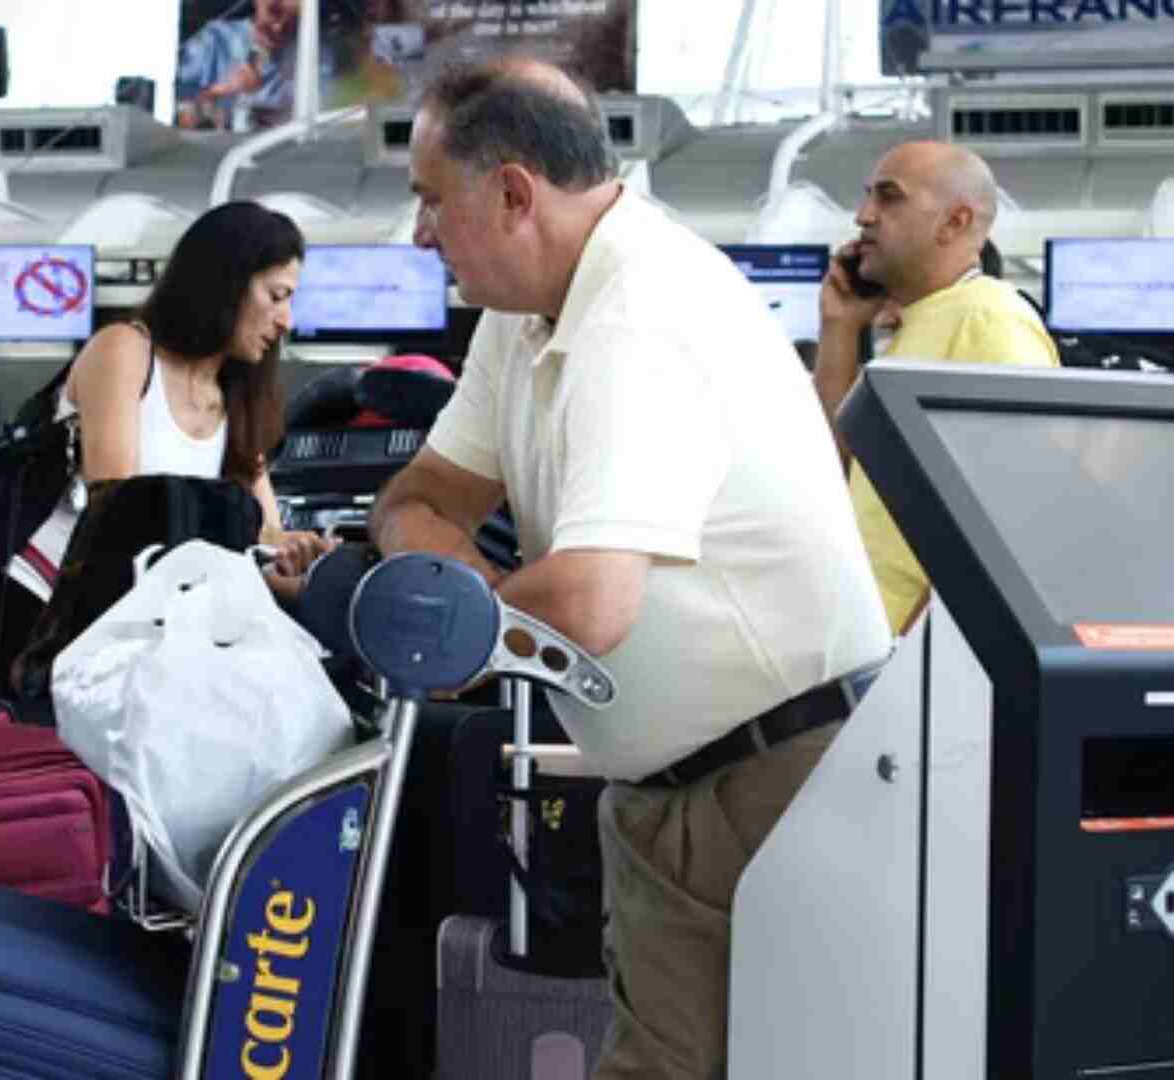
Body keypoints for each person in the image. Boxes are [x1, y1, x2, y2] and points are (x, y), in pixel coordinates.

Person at [370, 57, 891, 1078]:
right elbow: (417, 500)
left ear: (515, 192)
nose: (421, 234)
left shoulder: (642, 313)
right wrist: (458, 601)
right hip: (670, 788)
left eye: (433, 202)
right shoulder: (524, 318)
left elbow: (592, 604)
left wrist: (442, 619)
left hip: (779, 779)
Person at [0, 200, 333, 707]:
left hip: (144, 622)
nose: (286, 320)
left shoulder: (237, 398)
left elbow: (261, 533)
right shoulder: (126, 350)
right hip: (44, 613)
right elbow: (121, 507)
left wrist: (301, 561)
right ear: (227, 281)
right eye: (277, 296)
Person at [813, 140, 1060, 637]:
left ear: (955, 223)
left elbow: (1010, 511)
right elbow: (832, 467)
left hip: (911, 658)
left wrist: (919, 650)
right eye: (867, 197)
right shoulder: (921, 324)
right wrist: (840, 327)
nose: (863, 216)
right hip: (864, 642)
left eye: (889, 198)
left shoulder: (988, 317)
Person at [175, 0, 321, 130]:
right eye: (274, 11)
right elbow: (177, 118)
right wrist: (220, 91)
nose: (278, 27)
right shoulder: (212, 41)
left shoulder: (310, 56)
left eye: (293, 21)